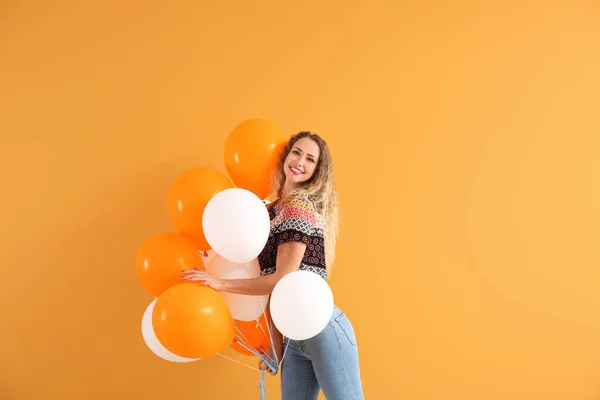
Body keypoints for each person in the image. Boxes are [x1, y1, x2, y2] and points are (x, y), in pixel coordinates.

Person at [182, 131, 364, 400]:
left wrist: (220, 283)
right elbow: (273, 289)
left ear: (316, 172)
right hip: (293, 337)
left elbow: (283, 280)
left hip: (322, 328)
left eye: (310, 159)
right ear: (285, 157)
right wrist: (276, 345)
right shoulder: (270, 213)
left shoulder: (298, 206)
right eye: (296, 152)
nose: (300, 162)